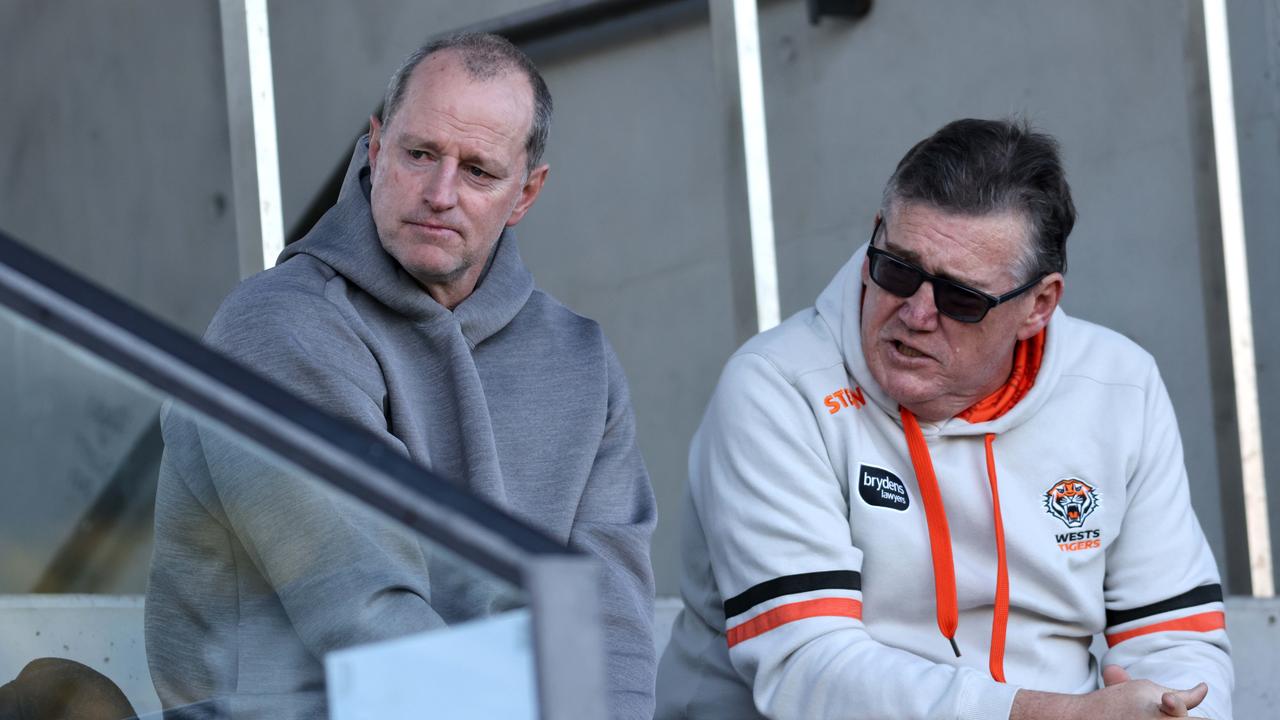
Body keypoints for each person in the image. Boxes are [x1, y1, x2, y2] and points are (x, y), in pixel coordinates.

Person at [146, 32, 657, 718]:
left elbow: (613, 619)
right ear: (377, 145)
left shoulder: (580, 358)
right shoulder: (275, 326)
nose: (440, 193)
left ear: (526, 193)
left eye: (478, 171)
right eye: (420, 154)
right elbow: (365, 614)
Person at [655, 118, 1233, 719]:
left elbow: (1175, 635)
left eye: (961, 298)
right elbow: (809, 670)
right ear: (876, 235)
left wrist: (1175, 711)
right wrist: (1060, 715)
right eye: (898, 269)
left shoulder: (1121, 384)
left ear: (1039, 305)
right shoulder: (777, 386)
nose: (916, 313)